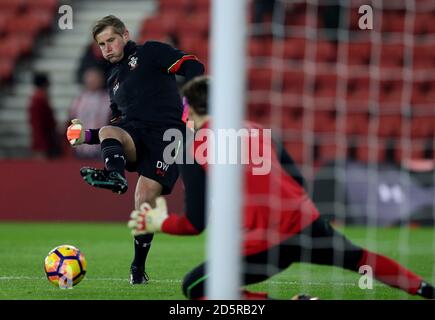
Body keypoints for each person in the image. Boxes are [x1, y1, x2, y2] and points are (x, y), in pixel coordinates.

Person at [127, 76, 435, 300]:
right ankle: (425, 289)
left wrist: (159, 222)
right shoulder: (258, 131)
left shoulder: (193, 148)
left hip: (267, 240)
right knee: (359, 259)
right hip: (307, 222)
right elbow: (297, 179)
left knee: (196, 288)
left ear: (190, 110)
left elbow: (195, 223)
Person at [66, 15, 204, 285]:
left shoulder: (151, 52)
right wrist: (86, 136)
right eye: (101, 44)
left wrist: (191, 110)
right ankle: (115, 176)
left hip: (168, 136)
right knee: (107, 130)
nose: (107, 48)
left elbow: (194, 67)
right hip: (136, 134)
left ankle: (137, 268)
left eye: (111, 40)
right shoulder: (113, 79)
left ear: (125, 35)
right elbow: (117, 123)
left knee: (144, 198)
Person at [68, 67, 111, 159]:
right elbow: (71, 120)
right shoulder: (79, 99)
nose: (91, 81)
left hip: (101, 147)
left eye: (95, 78)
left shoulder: (108, 99)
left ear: (101, 79)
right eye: (89, 78)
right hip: (81, 148)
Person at [29, 72, 61, 159]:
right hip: (43, 140)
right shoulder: (39, 99)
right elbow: (39, 124)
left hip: (42, 139)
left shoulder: (37, 98)